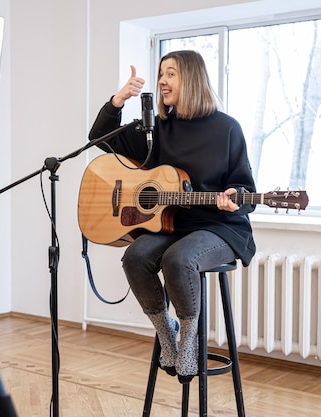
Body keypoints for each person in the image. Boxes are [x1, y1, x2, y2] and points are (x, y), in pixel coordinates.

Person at [88, 50, 256, 383]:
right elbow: (99, 140)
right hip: (171, 224)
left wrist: (234, 197)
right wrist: (118, 100)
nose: (162, 81)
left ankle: (189, 341)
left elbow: (243, 186)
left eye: (171, 74)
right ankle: (168, 333)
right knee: (135, 256)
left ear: (191, 79)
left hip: (219, 227)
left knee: (178, 259)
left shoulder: (227, 129)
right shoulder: (156, 129)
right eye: (161, 73)